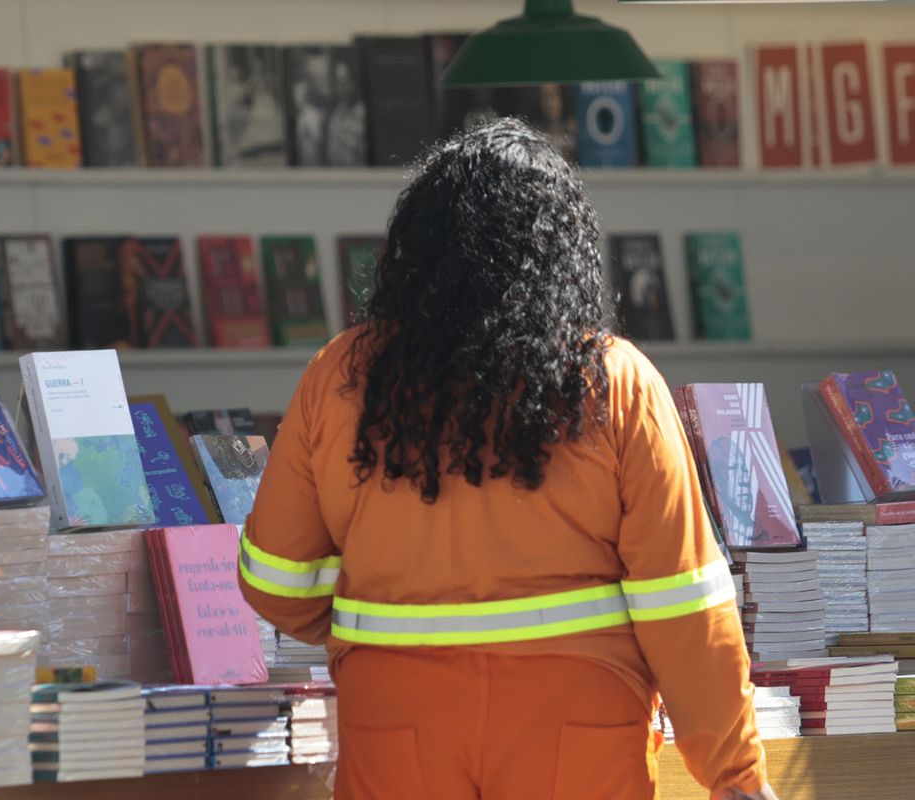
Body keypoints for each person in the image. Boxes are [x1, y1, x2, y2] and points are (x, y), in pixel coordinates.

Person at [240, 119, 777, 800]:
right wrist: (734, 774)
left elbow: (276, 581)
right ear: (561, 252)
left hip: (396, 716)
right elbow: (684, 607)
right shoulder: (616, 381)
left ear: (415, 248)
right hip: (577, 720)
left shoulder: (342, 376)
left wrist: (373, 619)